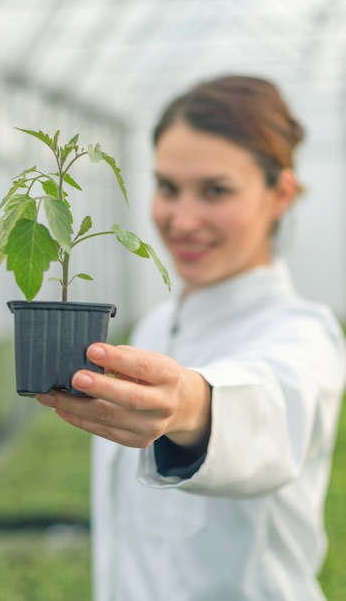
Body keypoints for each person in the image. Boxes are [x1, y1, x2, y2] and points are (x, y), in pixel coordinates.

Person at [37, 75, 346, 601]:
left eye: (215, 190)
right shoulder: (156, 326)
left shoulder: (303, 334)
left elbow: (271, 404)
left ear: (280, 194)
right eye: (167, 187)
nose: (181, 220)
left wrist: (190, 405)